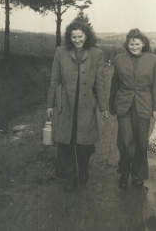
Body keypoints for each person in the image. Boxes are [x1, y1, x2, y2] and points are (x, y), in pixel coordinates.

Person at [47, 21, 109, 192]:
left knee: (85, 145)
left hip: (86, 105)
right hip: (65, 104)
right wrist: (50, 104)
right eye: (73, 37)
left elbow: (100, 83)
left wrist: (104, 107)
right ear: (69, 37)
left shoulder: (97, 54)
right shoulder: (60, 52)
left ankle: (83, 168)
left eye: (80, 36)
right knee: (65, 142)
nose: (77, 40)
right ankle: (69, 176)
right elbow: (54, 80)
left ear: (86, 36)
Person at [109, 28, 156, 189]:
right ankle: (124, 171)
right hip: (124, 105)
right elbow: (114, 84)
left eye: (137, 44)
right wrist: (111, 105)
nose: (134, 47)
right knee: (126, 142)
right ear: (127, 44)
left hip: (144, 106)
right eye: (131, 44)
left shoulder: (153, 59)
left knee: (140, 143)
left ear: (143, 43)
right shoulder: (119, 59)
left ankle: (138, 175)